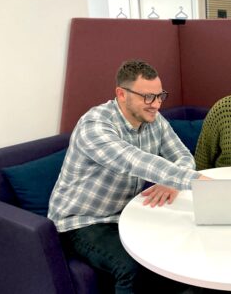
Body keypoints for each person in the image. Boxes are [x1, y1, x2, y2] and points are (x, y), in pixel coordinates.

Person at [48, 59, 209, 294]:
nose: (156, 104)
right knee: (131, 268)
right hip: (81, 221)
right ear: (121, 94)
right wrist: (197, 182)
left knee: (179, 256)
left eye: (159, 96)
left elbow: (184, 157)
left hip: (126, 215)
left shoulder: (154, 120)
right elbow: (133, 160)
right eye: (147, 97)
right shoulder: (94, 125)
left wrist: (170, 182)